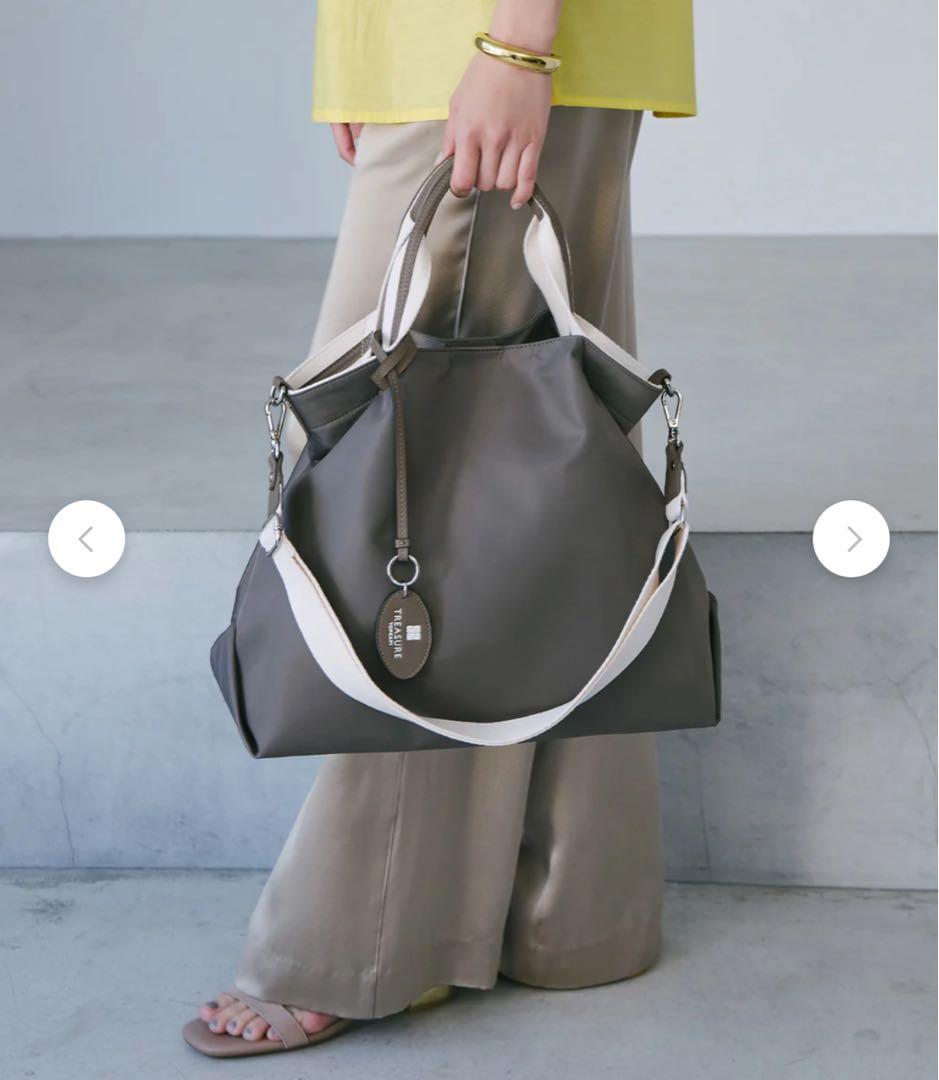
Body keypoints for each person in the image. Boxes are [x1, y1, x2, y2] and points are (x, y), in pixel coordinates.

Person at [184, 0, 695, 1058]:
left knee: (403, 489)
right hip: (458, 43)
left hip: (488, 35)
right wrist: (361, 58)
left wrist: (516, 43)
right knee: (548, 463)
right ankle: (573, 911)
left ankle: (359, 942)